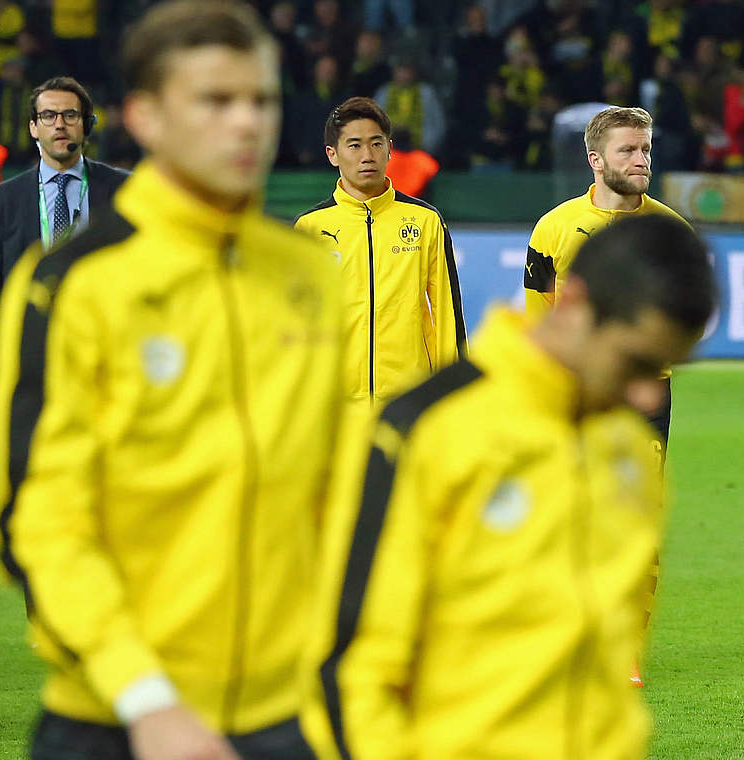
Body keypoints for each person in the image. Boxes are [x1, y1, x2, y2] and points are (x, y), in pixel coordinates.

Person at [0, 2, 342, 758]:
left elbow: (335, 495)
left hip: (291, 717)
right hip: (119, 720)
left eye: (263, 100)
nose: (247, 123)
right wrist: (146, 699)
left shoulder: (306, 270)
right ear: (145, 117)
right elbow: (38, 525)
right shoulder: (73, 285)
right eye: (216, 101)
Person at [300, 214, 716, 760]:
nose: (648, 398)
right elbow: (349, 669)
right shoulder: (428, 429)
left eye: (665, 369)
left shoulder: (628, 451)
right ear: (572, 303)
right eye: (635, 362)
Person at [0, 76, 128, 422]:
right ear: (33, 128)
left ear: (87, 125)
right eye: (48, 116)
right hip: (27, 355)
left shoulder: (122, 190)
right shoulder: (6, 198)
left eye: (70, 115)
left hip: (103, 355)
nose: (60, 124)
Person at [523, 105, 687, 443]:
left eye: (645, 150)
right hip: (573, 384)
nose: (641, 160)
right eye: (627, 150)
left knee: (639, 495)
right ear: (596, 161)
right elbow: (539, 311)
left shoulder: (671, 230)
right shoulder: (554, 227)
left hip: (644, 388)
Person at [295, 96, 465, 405]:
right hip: (334, 403)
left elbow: (447, 314)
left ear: (389, 148)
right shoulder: (309, 228)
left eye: (376, 144)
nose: (367, 156)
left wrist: (451, 396)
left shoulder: (425, 221)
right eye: (354, 145)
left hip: (409, 399)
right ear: (333, 155)